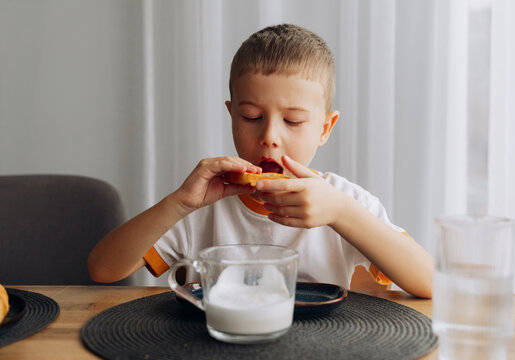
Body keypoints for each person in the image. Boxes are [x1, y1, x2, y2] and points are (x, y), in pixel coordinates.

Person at [88, 24, 433, 298]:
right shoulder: (203, 204)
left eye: (293, 121)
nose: (269, 136)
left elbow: (431, 283)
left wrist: (342, 213)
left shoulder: (343, 201)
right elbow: (102, 270)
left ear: (325, 128)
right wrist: (179, 203)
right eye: (252, 116)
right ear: (232, 116)